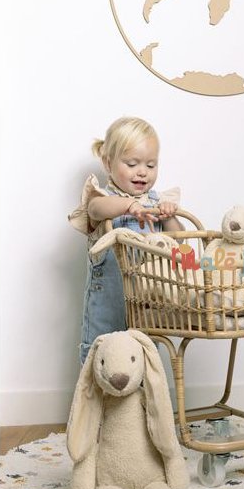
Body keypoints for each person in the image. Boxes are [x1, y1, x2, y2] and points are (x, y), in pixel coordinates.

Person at [68, 117, 183, 364]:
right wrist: (129, 205)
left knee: (142, 358)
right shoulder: (103, 198)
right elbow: (95, 209)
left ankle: (142, 390)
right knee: (101, 357)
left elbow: (179, 244)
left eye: (151, 165)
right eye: (132, 164)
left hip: (146, 304)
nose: (142, 171)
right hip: (107, 304)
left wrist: (169, 217)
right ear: (108, 163)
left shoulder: (156, 203)